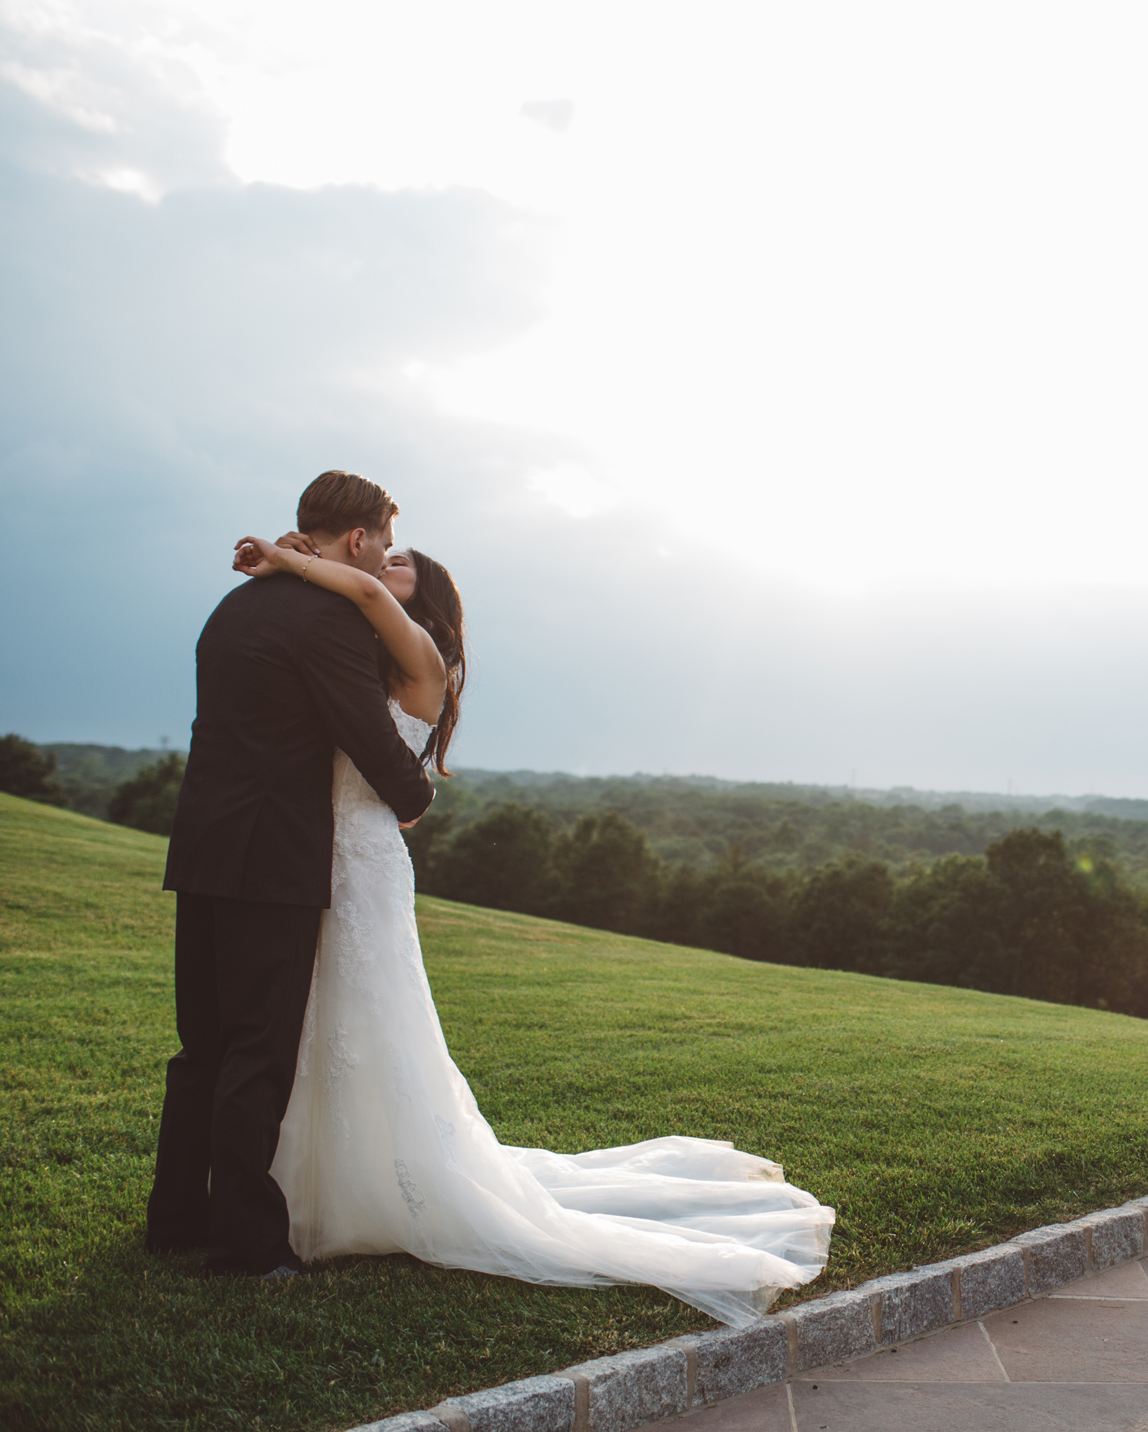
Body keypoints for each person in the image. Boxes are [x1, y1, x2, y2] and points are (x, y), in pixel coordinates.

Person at [230, 520, 832, 1326]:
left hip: (359, 859)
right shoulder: (358, 652)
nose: (383, 563)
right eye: (383, 551)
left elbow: (365, 590)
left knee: (366, 1017)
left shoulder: (420, 656)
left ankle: (374, 1187)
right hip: (317, 851)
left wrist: (294, 560)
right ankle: (297, 1183)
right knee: (311, 1019)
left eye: (400, 561)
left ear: (426, 593)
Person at [150, 471, 436, 1279]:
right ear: (358, 538)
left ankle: (177, 1217)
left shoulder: (235, 605)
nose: (383, 555)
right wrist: (416, 795)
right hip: (270, 857)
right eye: (382, 539)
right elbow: (366, 735)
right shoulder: (328, 618)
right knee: (257, 1047)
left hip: (202, 844)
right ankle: (245, 1244)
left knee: (200, 1045)